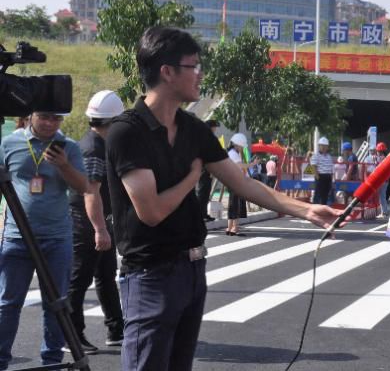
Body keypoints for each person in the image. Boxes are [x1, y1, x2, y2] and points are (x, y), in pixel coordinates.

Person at [105, 26, 341, 371]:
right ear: (167, 72)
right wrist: (191, 177)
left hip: (192, 270)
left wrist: (308, 210)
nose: (200, 75)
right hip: (149, 275)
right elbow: (151, 211)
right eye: (193, 66)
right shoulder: (127, 132)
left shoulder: (193, 128)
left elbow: (243, 185)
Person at [0, 112, 87, 370]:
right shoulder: (9, 144)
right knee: (8, 303)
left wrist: (63, 165)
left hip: (56, 238)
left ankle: (52, 361)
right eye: (44, 117)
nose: (50, 123)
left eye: (56, 119)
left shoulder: (69, 147)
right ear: (30, 116)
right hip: (17, 238)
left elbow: (84, 186)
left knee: (57, 303)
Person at [66, 91, 125, 354]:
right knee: (79, 280)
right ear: (113, 121)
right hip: (87, 221)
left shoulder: (96, 143)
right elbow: (91, 192)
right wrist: (100, 229)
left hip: (99, 220)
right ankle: (72, 335)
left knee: (105, 276)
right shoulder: (94, 148)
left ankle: (116, 329)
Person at [225, 133, 257, 236]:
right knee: (236, 204)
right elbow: (240, 165)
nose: (242, 148)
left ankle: (230, 227)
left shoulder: (231, 152)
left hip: (232, 180)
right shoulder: (233, 153)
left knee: (232, 203)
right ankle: (234, 228)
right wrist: (252, 164)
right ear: (237, 144)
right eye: (242, 146)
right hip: (236, 181)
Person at [196, 119, 218, 222]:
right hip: (203, 169)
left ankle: (204, 214)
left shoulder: (208, 137)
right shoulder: (204, 137)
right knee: (202, 192)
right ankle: (199, 215)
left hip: (207, 169)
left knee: (206, 193)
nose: (216, 129)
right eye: (214, 127)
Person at [311, 137, 334, 205]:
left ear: (327, 147)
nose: (323, 147)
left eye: (325, 146)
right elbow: (313, 166)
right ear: (319, 146)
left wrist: (331, 178)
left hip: (328, 177)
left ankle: (323, 208)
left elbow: (331, 168)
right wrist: (317, 177)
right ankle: (315, 209)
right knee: (318, 194)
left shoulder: (329, 156)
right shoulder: (315, 155)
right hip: (320, 177)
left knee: (326, 195)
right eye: (322, 145)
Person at [375, 142, 390, 217]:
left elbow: (378, 167)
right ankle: (384, 211)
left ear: (380, 151)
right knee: (382, 196)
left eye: (377, 150)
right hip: (385, 179)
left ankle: (384, 212)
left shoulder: (382, 158)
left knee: (382, 196)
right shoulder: (385, 157)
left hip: (382, 179)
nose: (377, 152)